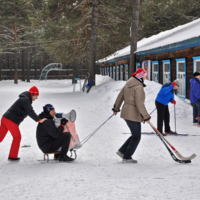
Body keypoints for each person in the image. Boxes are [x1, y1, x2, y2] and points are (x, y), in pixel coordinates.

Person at [112, 68, 150, 163]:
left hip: (126, 112)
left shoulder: (129, 83)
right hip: (133, 114)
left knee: (135, 135)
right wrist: (146, 116)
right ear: (141, 76)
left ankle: (122, 151)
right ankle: (127, 157)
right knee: (136, 137)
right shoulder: (139, 87)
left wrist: (116, 108)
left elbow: (120, 96)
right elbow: (139, 104)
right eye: (145, 75)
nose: (146, 77)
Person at [0, 86, 46, 161]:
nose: (36, 98)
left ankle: (12, 155)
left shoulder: (25, 99)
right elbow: (30, 111)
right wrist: (39, 120)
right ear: (32, 94)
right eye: (36, 96)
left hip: (5, 118)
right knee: (17, 137)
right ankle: (12, 156)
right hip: (11, 120)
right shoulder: (25, 100)